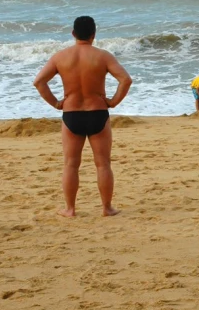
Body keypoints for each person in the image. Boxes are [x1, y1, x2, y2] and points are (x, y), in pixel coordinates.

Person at [33, 15, 132, 218]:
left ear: (73, 34)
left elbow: (39, 82)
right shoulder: (103, 56)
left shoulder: (60, 57)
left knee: (71, 164)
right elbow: (125, 79)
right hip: (98, 113)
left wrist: (56, 103)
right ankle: (107, 208)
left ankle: (70, 209)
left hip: (72, 114)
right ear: (94, 34)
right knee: (103, 163)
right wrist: (113, 102)